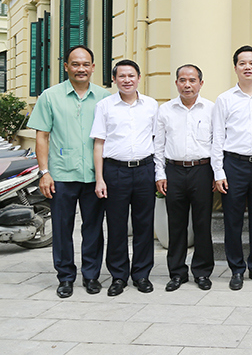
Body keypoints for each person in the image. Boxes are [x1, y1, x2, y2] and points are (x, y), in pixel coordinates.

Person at [29, 45, 111, 298]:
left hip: (94, 175)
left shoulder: (104, 98)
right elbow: (42, 136)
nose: (81, 69)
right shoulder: (50, 96)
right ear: (66, 67)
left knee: (94, 228)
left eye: (85, 64)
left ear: (93, 67)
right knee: (62, 229)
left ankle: (91, 275)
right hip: (61, 175)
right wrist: (44, 172)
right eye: (75, 64)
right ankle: (65, 277)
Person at [91, 59, 159, 297]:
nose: (127, 80)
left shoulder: (151, 105)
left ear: (139, 78)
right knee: (117, 225)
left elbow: (157, 141)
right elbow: (98, 143)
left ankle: (141, 274)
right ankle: (118, 276)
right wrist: (100, 178)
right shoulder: (105, 106)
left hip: (144, 170)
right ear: (114, 80)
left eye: (131, 76)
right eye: (122, 76)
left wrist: (158, 173)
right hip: (115, 171)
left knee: (144, 225)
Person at [212, 45, 252, 290]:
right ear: (235, 67)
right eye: (242, 63)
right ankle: (236, 269)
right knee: (233, 220)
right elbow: (217, 137)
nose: (247, 67)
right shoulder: (225, 99)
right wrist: (219, 172)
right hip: (233, 165)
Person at [154, 64, 215, 292]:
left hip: (202, 170)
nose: (187, 85)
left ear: (201, 82)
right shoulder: (165, 110)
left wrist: (217, 174)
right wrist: (160, 174)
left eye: (192, 80)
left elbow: (217, 143)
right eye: (182, 80)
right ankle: (177, 272)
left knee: (202, 224)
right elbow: (158, 145)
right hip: (174, 171)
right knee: (176, 225)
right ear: (176, 83)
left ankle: (202, 272)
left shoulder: (211, 109)